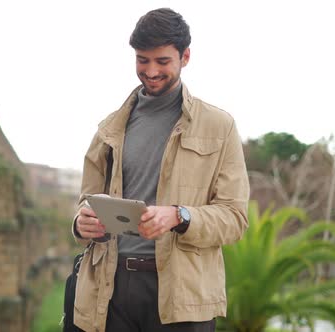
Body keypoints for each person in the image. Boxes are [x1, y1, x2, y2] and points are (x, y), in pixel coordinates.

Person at [71, 8, 250, 332]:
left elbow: (235, 219)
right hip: (110, 291)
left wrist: (180, 216)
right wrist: (82, 222)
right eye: (142, 60)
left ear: (185, 57)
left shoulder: (220, 126)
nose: (151, 71)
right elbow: (87, 201)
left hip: (182, 297)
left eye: (162, 61)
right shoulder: (108, 128)